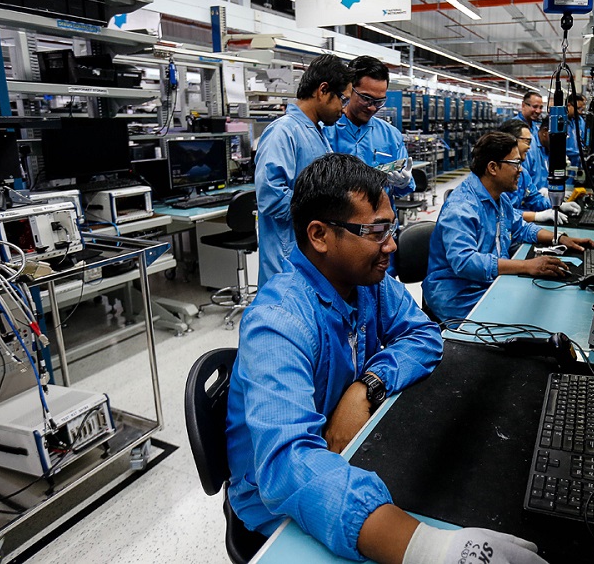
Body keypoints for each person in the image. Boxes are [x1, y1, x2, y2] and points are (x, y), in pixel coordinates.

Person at [227, 153, 548, 564]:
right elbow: (288, 463)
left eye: (391, 228)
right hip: (277, 502)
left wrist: (367, 386)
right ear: (320, 235)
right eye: (377, 231)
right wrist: (424, 548)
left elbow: (424, 333)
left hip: (346, 449)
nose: (391, 245)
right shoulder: (278, 323)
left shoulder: (364, 283)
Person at [423, 132, 594, 321]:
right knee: (531, 320)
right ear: (493, 167)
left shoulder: (500, 198)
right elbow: (465, 262)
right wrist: (526, 266)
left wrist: (560, 238)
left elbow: (521, 228)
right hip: (459, 295)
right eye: (516, 163)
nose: (521, 170)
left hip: (490, 284)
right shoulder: (462, 208)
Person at [254, 54, 351, 287]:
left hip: (311, 255)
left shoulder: (315, 132)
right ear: (323, 90)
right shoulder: (283, 132)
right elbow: (269, 196)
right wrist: (320, 208)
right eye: (343, 100)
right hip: (287, 258)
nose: (344, 110)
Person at [325, 55, 415, 201]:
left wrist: (403, 183)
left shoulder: (390, 135)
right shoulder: (325, 130)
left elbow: (403, 188)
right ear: (349, 89)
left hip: (381, 219)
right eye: (366, 98)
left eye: (379, 101)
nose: (372, 107)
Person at [498, 119, 568, 226]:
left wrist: (557, 204)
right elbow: (502, 213)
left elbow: (534, 198)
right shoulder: (498, 174)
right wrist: (536, 216)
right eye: (527, 141)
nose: (530, 147)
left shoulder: (523, 173)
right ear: (511, 140)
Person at [514, 90, 547, 193]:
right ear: (523, 105)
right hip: (523, 190)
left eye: (541, 107)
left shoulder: (536, 129)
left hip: (538, 189)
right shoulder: (514, 128)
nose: (538, 111)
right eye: (535, 106)